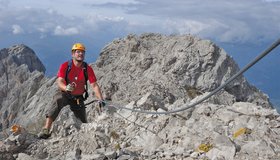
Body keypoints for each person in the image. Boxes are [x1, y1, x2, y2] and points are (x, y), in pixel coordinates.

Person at [38, 43, 105, 139]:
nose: (80, 54)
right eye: (78, 52)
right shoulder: (65, 66)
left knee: (83, 122)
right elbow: (60, 81)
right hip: (66, 95)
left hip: (78, 99)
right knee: (58, 99)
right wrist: (66, 88)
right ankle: (46, 129)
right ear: (73, 54)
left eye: (82, 52)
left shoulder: (87, 68)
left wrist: (100, 99)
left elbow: (94, 85)